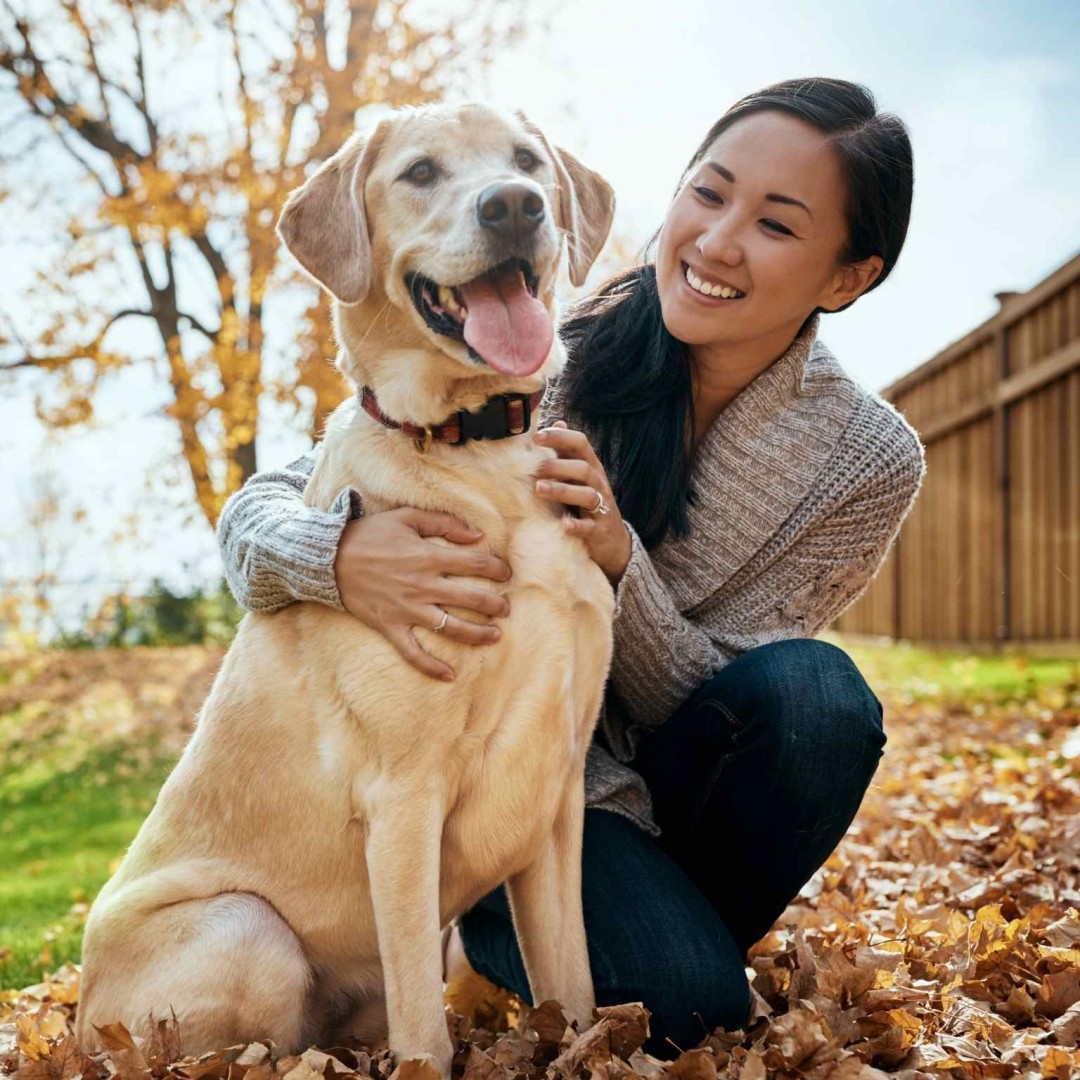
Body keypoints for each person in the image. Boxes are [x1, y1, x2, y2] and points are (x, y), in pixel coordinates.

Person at [217, 77, 925, 1056]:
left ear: (845, 278)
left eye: (775, 224)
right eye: (708, 193)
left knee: (818, 698)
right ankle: (585, 939)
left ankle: (672, 933)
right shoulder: (529, 349)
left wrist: (618, 562)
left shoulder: (865, 458)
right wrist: (335, 552)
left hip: (686, 771)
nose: (718, 242)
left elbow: (728, 698)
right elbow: (266, 503)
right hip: (519, 797)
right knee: (688, 1010)